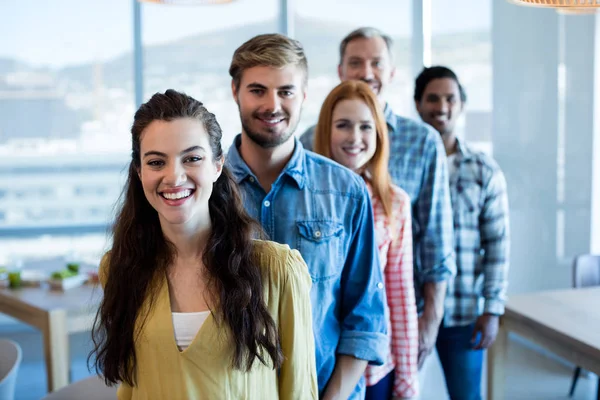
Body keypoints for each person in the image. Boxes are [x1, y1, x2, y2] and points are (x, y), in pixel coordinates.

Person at [89, 89, 318, 399]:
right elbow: (131, 387)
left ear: (217, 165)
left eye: (192, 158)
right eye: (156, 162)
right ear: (139, 172)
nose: (174, 176)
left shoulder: (277, 269)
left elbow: (300, 390)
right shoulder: (119, 267)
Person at [226, 33, 388, 400]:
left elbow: (365, 316)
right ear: (235, 90)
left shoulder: (347, 191)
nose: (272, 104)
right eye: (257, 90)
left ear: (304, 94)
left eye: (285, 91)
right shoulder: (206, 190)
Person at [299, 27, 456, 375]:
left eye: (376, 63)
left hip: (392, 321)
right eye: (355, 62)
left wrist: (427, 324)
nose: (366, 72)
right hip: (318, 334)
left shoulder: (422, 142)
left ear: (392, 71)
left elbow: (435, 240)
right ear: (341, 70)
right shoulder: (309, 140)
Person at [313, 79, 418, 400]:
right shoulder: (306, 197)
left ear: (379, 135)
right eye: (343, 125)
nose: (355, 138)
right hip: (319, 364)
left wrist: (408, 379)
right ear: (326, 131)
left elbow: (399, 296)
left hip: (375, 368)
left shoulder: (394, 202)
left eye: (365, 127)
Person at [414, 66, 510, 400]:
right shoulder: (402, 167)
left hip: (465, 312)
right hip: (411, 309)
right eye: (432, 98)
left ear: (462, 104)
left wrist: (493, 308)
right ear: (417, 104)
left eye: (450, 98)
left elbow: (497, 244)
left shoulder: (483, 170)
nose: (441, 106)